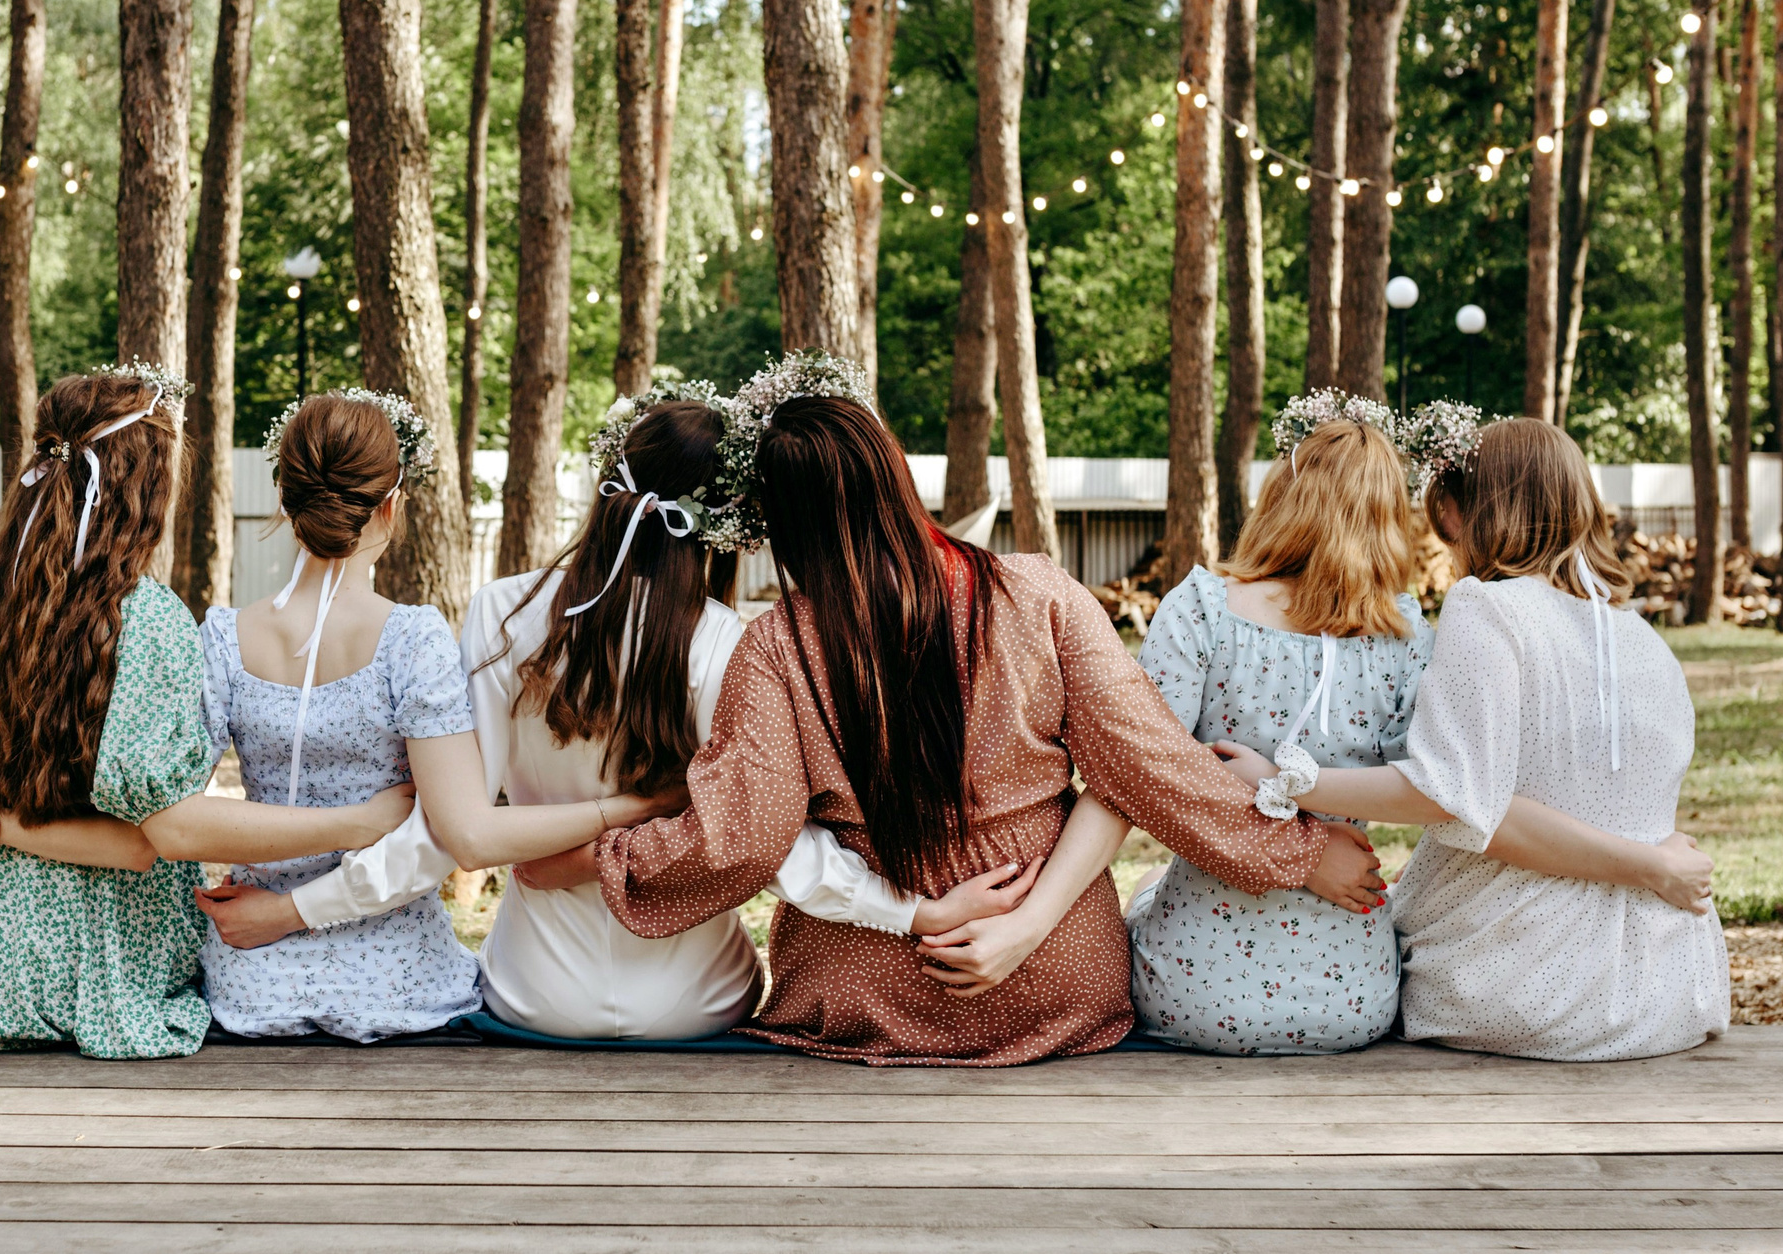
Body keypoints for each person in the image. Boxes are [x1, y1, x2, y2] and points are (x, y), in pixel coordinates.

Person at [591, 355, 1388, 1066]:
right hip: (1059, 983)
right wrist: (1295, 849)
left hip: (863, 989)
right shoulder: (1039, 592)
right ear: (898, 474)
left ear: (782, 525)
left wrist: (618, 854)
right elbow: (1151, 761)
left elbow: (747, 832)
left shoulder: (773, 648)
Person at [199, 388, 1044, 1040]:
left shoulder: (499, 615)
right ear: (721, 528)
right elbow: (770, 843)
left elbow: (442, 830)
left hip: (533, 995)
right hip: (698, 1000)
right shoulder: (732, 646)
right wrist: (910, 909)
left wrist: (297, 909)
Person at [0, 389, 697, 1042]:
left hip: (249, 973)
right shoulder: (413, 637)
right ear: (391, 507)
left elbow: (171, 815)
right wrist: (625, 806)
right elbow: (467, 833)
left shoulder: (225, 633)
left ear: (285, 502)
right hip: (400, 980)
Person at [0, 367, 412, 1058]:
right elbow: (141, 841)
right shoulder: (147, 622)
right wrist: (358, 822)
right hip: (64, 958)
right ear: (142, 491)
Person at [1131, 397, 1716, 1056]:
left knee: (1154, 894)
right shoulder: (1648, 644)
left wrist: (1292, 781)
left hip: (1511, 988)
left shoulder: (1485, 609)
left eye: (1451, 528)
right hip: (1667, 987)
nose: (1452, 553)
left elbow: (1456, 797)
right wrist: (1653, 863)